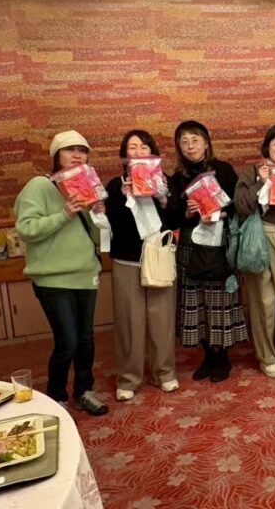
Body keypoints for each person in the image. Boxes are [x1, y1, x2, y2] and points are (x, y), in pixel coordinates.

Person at [14, 130, 108, 415]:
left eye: (83, 150)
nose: (77, 155)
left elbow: (98, 239)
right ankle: (56, 396)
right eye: (70, 150)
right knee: (67, 341)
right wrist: (64, 214)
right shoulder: (39, 186)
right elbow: (26, 229)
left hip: (86, 274)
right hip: (52, 278)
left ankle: (84, 390)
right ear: (56, 155)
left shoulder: (87, 187)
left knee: (86, 338)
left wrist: (98, 215)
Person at [104, 130, 178, 401]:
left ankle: (164, 372)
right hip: (127, 260)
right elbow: (110, 225)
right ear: (125, 155)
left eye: (144, 147)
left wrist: (163, 197)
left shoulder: (164, 181)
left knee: (162, 319)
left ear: (153, 153)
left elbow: (177, 218)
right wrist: (124, 199)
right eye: (132, 147)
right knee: (129, 322)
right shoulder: (115, 186)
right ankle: (129, 378)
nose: (138, 152)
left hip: (159, 257)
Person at [169, 120, 246, 383]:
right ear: (179, 147)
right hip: (191, 244)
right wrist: (187, 212)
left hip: (219, 241)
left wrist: (220, 213)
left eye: (195, 139)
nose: (190, 146)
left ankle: (222, 355)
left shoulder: (223, 170)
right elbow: (172, 217)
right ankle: (207, 355)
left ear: (206, 143)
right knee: (195, 300)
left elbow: (237, 205)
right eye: (184, 141)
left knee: (220, 299)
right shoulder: (177, 178)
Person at [234, 125, 275, 378]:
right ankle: (267, 356)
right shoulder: (252, 171)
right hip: (259, 237)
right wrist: (261, 182)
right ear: (267, 146)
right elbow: (241, 205)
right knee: (264, 302)